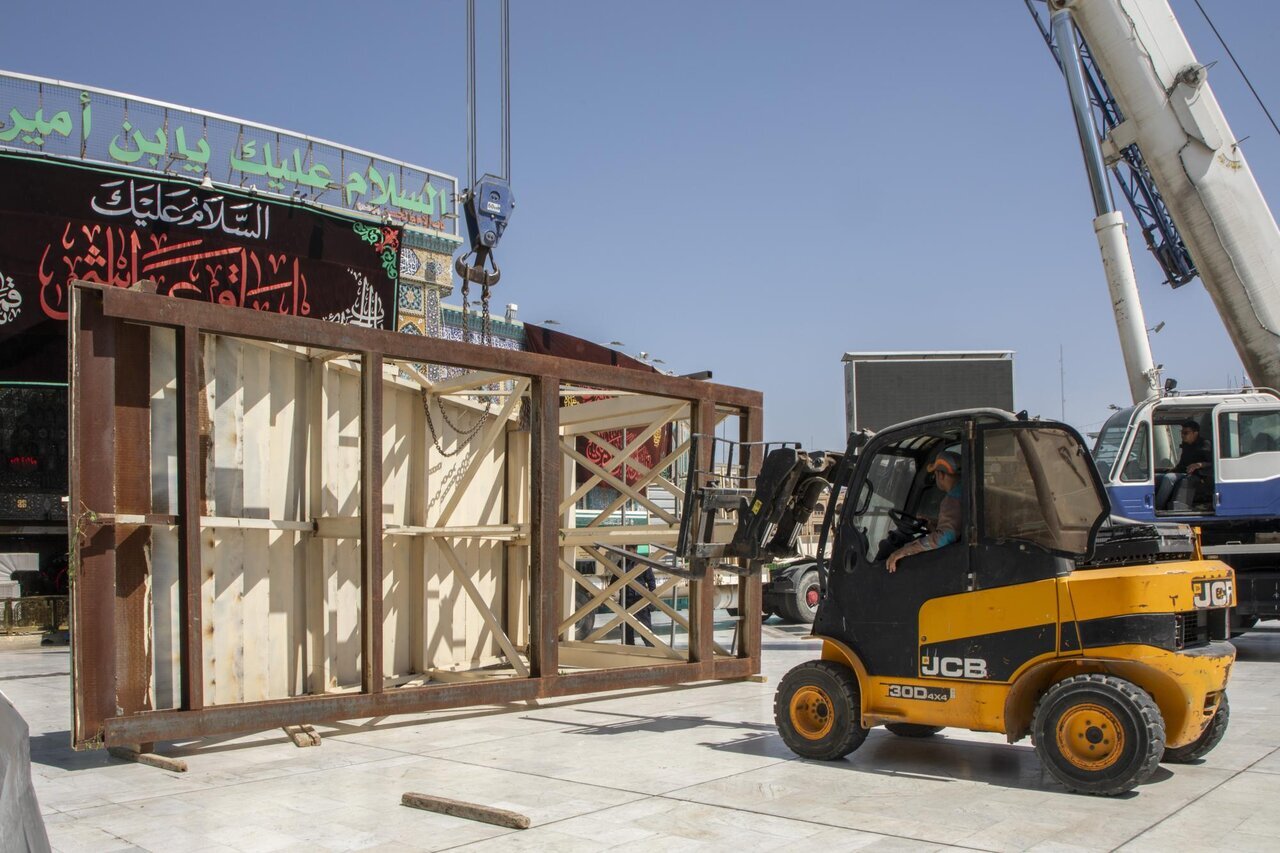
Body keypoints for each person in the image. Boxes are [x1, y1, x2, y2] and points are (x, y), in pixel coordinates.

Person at [887, 450, 962, 573]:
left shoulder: (953, 499)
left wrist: (904, 551)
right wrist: (933, 524)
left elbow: (944, 538)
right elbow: (957, 527)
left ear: (941, 475)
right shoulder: (964, 493)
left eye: (935, 474)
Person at [1156, 419, 1212, 509]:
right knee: (1157, 477)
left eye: (1186, 433)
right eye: (1181, 432)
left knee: (1169, 478)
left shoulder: (1205, 444)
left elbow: (1213, 463)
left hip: (1197, 475)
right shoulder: (1186, 445)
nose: (1182, 435)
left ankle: (1158, 506)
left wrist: (1199, 464)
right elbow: (1182, 463)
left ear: (1195, 433)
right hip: (1183, 471)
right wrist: (1172, 470)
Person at [622, 546, 657, 646]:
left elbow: (651, 583)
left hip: (640, 601)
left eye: (628, 550)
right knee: (626, 633)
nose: (625, 552)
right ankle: (629, 653)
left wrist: (651, 600)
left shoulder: (642, 563)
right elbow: (614, 581)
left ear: (635, 550)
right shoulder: (622, 563)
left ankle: (652, 651)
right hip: (626, 602)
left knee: (646, 631)